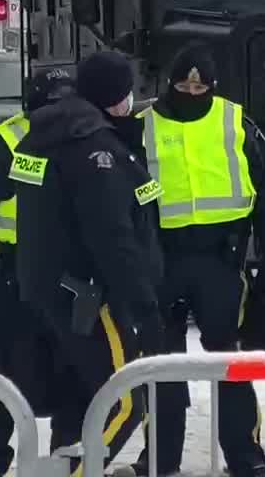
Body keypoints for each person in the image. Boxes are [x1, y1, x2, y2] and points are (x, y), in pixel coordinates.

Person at [128, 42, 265, 477]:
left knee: (230, 365)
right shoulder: (140, 126)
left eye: (200, 85)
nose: (192, 90)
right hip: (160, 263)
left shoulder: (234, 122)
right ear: (170, 83)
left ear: (213, 86)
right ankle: (160, 461)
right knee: (162, 367)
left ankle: (245, 458)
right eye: (184, 83)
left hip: (221, 261)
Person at [12, 50, 164, 476]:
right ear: (112, 96)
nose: (132, 100)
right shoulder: (95, 148)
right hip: (91, 295)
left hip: (50, 287)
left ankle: (66, 465)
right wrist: (142, 300)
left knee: (79, 401)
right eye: (127, 92)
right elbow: (111, 235)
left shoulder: (44, 135)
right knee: (127, 398)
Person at [0, 68, 75, 477]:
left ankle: (67, 459)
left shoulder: (85, 136)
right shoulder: (9, 141)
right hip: (18, 274)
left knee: (72, 370)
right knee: (9, 371)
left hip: (69, 276)